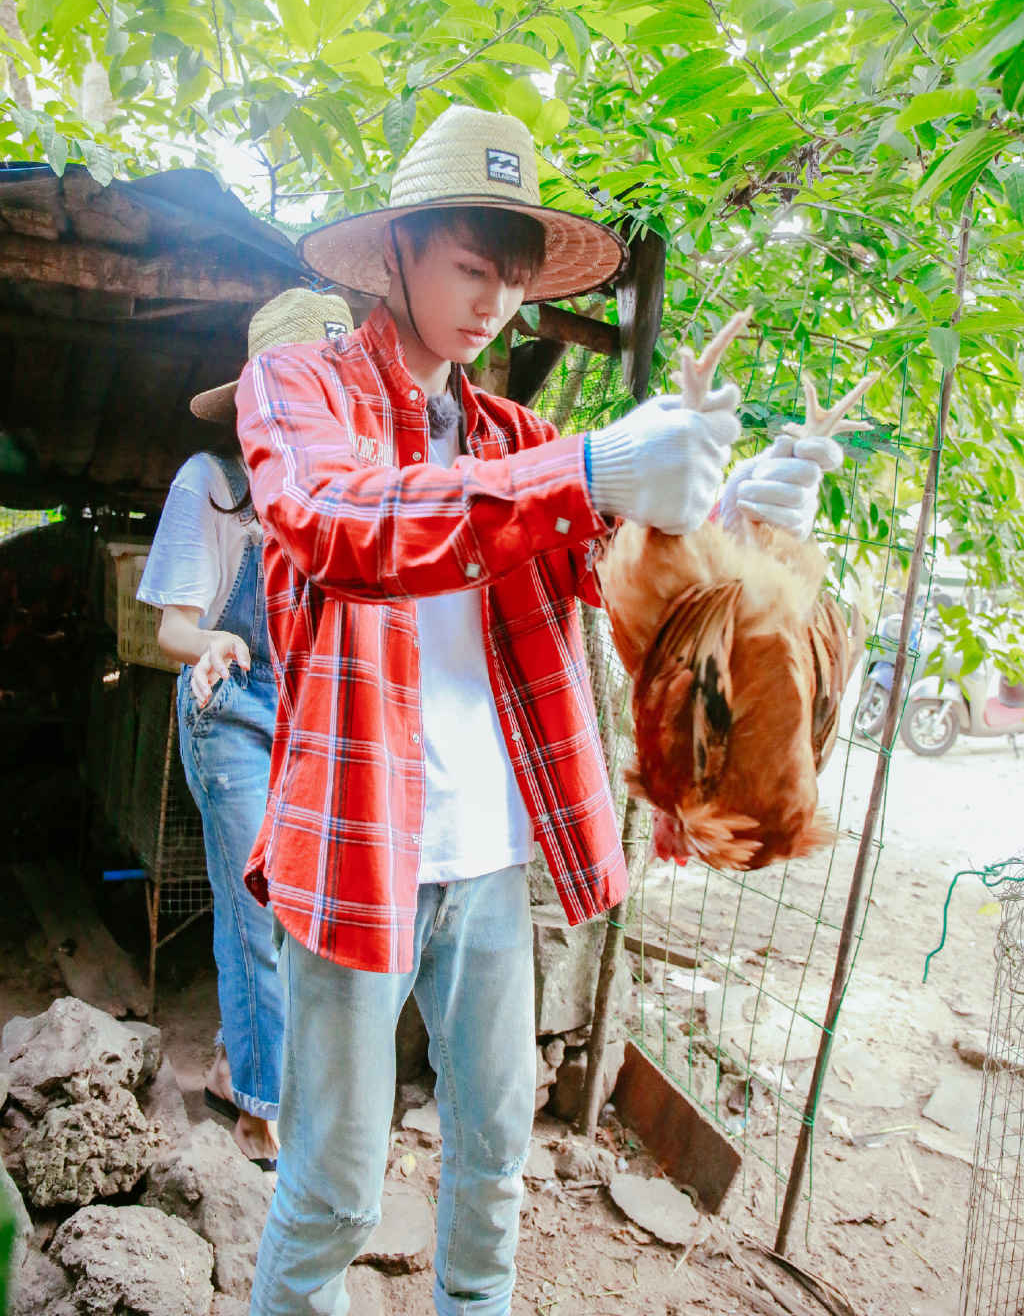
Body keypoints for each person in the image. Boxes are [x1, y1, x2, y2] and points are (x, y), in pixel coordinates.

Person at [233, 105, 835, 1315]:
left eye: (510, 278)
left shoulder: (517, 434)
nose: (493, 303)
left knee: (495, 1164)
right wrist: (590, 470)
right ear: (397, 249)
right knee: (336, 1189)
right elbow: (347, 525)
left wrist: (745, 516)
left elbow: (631, 576)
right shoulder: (299, 389)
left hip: (492, 858)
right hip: (359, 850)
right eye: (469, 267)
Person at [136, 289, 353, 1171]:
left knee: (278, 908)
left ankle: (239, 1070)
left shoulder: (339, 495)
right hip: (225, 716)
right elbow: (169, 632)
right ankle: (265, 1117)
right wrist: (215, 639)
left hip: (302, 722)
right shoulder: (214, 484)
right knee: (258, 908)